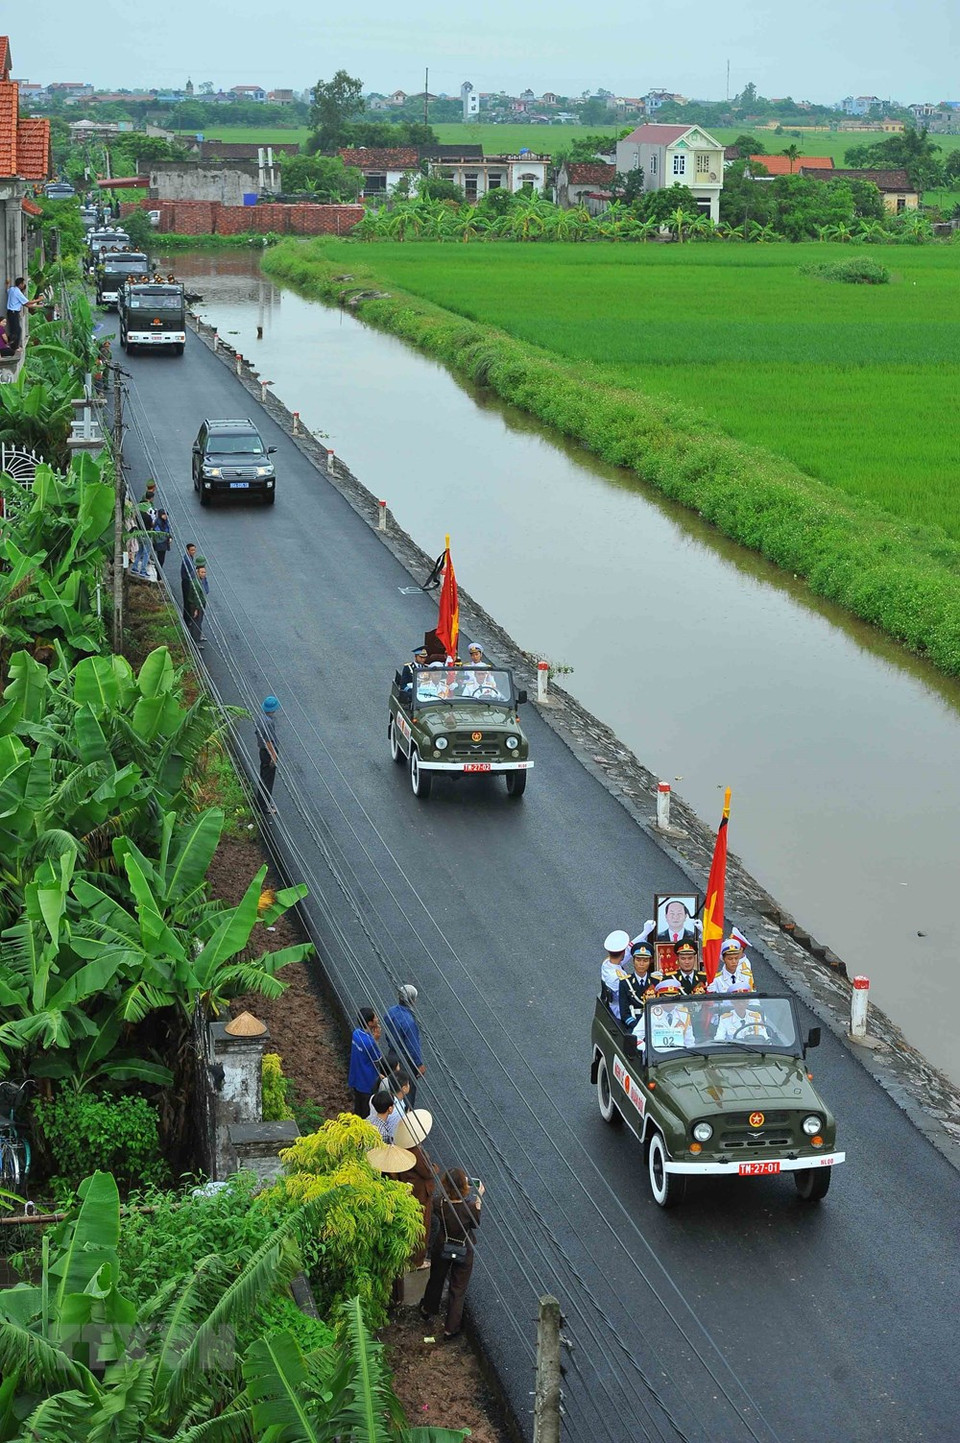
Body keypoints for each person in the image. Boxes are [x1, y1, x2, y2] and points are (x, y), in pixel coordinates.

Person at [419, 1167, 483, 1339]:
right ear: (465, 1186)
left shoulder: (439, 1202)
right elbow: (476, 1223)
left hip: (442, 1247)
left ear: (445, 1184)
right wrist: (479, 1198)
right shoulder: (469, 1207)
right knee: (458, 1288)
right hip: (464, 1250)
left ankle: (428, 1308)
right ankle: (450, 1328)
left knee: (436, 1279)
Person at [394, 1109, 437, 1269]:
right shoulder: (416, 1151)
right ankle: (417, 1260)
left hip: (409, 1188)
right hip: (420, 1192)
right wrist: (435, 1167)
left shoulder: (402, 1147)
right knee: (422, 1226)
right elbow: (428, 1171)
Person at [384, 985, 425, 1092]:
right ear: (412, 1000)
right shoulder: (409, 1022)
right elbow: (413, 1046)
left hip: (392, 1053)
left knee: (392, 1085)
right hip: (405, 1060)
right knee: (405, 1088)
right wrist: (419, 1064)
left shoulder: (391, 1011)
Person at [348, 1007, 385, 1118]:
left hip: (356, 1077)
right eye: (375, 1018)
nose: (377, 1019)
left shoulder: (356, 1033)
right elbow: (378, 1060)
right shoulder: (370, 1042)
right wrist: (376, 1040)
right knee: (366, 1112)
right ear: (369, 1023)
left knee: (358, 1106)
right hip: (367, 1082)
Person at [618, 942, 655, 1030]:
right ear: (633, 961)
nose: (641, 964)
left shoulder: (656, 981)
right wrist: (637, 1026)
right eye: (638, 960)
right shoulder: (625, 982)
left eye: (645, 960)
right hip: (634, 1023)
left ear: (650, 961)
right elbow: (624, 1013)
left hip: (654, 1023)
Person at [255, 696, 280, 814]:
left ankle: (260, 801)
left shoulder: (260, 718)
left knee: (263, 777)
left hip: (262, 751)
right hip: (268, 752)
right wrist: (273, 757)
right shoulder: (269, 722)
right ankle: (264, 806)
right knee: (268, 780)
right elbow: (269, 741)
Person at [5, 277, 41, 353]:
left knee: (14, 329)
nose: (24, 285)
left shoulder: (12, 289)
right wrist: (39, 300)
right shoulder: (17, 292)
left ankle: (10, 344)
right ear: (20, 284)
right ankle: (14, 347)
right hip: (14, 313)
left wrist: (7, 284)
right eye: (23, 283)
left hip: (11, 312)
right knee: (17, 330)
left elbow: (7, 290)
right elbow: (28, 303)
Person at [600, 930, 630, 1019]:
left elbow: (628, 951)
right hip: (620, 1011)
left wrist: (644, 934)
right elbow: (630, 995)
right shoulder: (617, 978)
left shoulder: (606, 963)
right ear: (623, 952)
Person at [186, 558, 209, 648]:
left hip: (200, 603)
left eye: (204, 572)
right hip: (197, 605)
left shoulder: (200, 580)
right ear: (197, 572)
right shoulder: (196, 583)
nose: (204, 574)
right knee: (196, 622)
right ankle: (195, 641)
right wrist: (196, 609)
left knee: (199, 621)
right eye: (202, 572)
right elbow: (196, 597)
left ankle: (198, 636)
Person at [180, 543, 198, 622]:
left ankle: (187, 619)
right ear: (187, 550)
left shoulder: (189, 557)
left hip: (187, 581)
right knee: (188, 602)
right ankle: (187, 621)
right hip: (187, 582)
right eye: (192, 550)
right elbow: (191, 573)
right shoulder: (187, 559)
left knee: (188, 602)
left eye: (194, 550)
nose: (193, 552)